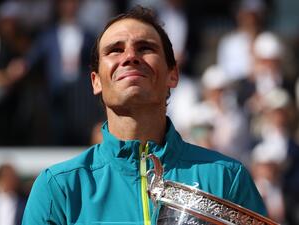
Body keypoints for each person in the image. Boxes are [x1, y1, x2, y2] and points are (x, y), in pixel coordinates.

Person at [22, 6, 267, 225]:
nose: (130, 57)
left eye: (145, 48)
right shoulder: (58, 188)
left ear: (173, 74)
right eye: (115, 50)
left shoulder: (226, 178)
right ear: (95, 81)